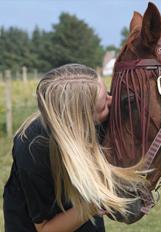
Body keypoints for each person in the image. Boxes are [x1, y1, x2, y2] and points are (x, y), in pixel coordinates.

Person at [3, 64, 142, 232]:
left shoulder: (96, 109)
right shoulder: (32, 149)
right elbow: (46, 228)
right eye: (103, 106)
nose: (112, 101)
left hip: (84, 215)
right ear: (80, 119)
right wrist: (99, 199)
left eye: (107, 94)